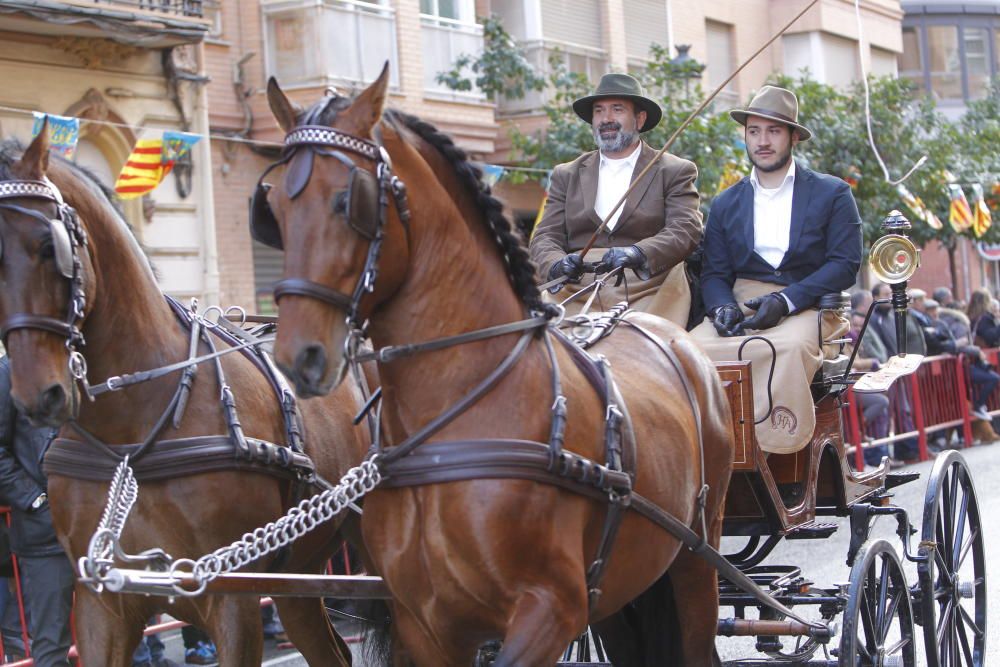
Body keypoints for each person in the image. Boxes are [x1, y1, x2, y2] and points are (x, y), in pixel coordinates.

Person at [691, 85, 862, 454]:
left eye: (773, 131)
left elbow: (845, 264)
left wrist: (786, 301)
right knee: (691, 349)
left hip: (811, 303)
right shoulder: (725, 202)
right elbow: (715, 274)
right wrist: (721, 307)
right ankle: (706, 447)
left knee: (786, 347)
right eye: (754, 132)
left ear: (793, 136)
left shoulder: (832, 193)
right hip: (743, 302)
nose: (762, 141)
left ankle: (775, 446)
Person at [530, 72, 702, 325]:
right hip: (577, 289)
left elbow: (685, 229)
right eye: (599, 111)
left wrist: (637, 253)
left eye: (617, 109)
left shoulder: (674, 170)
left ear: (640, 119)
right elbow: (545, 236)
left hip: (649, 286)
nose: (606, 119)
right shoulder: (566, 174)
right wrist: (556, 264)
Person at [0, 357, 74, 667]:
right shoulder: (8, 372)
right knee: (51, 645)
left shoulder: (84, 360)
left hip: (100, 528)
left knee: (120, 637)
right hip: (45, 533)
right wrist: (37, 501)